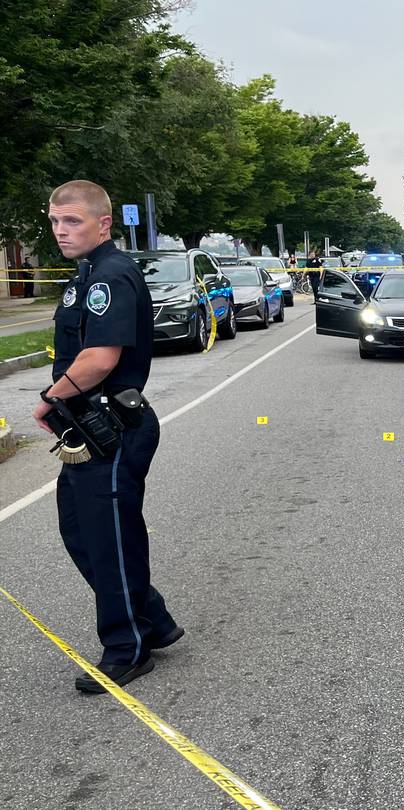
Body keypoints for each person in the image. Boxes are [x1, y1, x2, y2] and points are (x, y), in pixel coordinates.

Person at [31, 181, 181, 693]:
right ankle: (153, 619)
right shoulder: (86, 275)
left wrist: (51, 399)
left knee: (109, 538)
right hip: (87, 429)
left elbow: (101, 358)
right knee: (80, 531)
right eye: (54, 221)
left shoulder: (113, 274)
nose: (59, 230)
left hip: (114, 427)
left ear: (103, 223)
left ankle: (127, 648)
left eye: (71, 221)